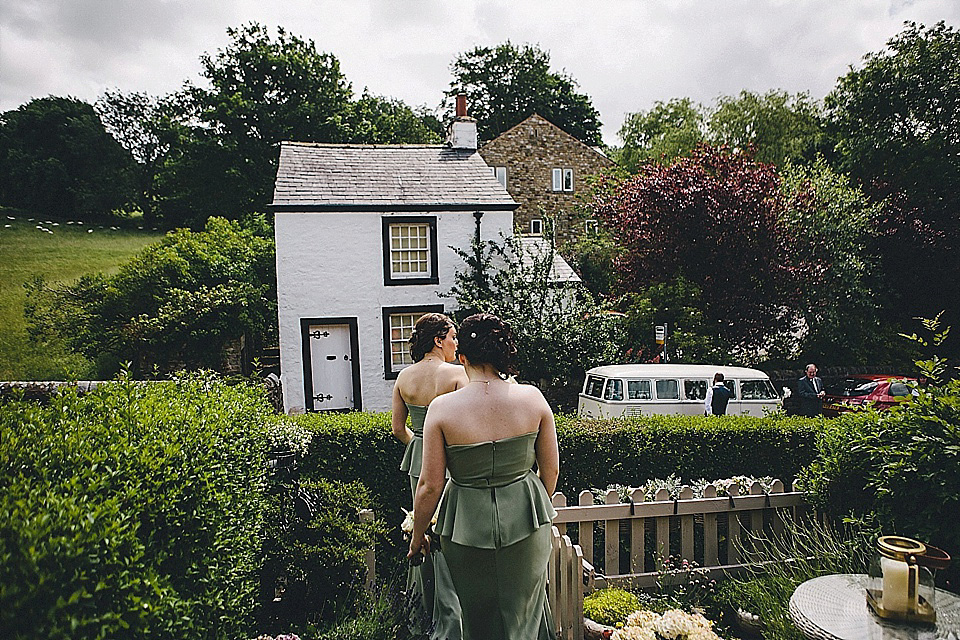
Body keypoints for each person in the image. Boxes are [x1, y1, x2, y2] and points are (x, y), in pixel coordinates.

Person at [408, 313, 559, 640]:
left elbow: (430, 485)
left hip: (466, 528)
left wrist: (418, 534)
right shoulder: (533, 398)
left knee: (477, 620)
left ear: (463, 358)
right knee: (525, 615)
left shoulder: (442, 409)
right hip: (527, 522)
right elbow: (551, 470)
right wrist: (535, 507)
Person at [392, 312, 467, 639]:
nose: (456, 344)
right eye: (452, 338)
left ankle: (422, 613)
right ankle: (453, 619)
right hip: (449, 461)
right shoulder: (455, 374)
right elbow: (467, 426)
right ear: (438, 340)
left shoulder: (404, 378)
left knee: (423, 529)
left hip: (418, 460)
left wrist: (420, 445)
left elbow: (398, 429)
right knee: (450, 533)